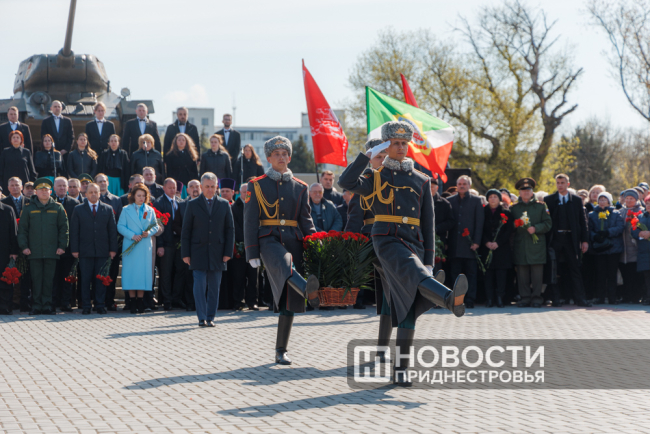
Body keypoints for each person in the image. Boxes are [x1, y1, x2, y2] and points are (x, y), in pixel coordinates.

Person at [339, 121, 467, 386]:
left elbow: (428, 224)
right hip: (386, 240)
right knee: (410, 270)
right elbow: (346, 181)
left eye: (403, 143)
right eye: (394, 143)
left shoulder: (421, 180)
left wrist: (429, 261)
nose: (399, 147)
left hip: (414, 242)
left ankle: (400, 371)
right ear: (386, 146)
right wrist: (368, 155)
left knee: (407, 305)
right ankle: (447, 298)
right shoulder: (376, 176)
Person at [244, 136, 321, 365]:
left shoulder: (301, 187)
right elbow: (250, 220)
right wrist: (252, 252)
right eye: (276, 154)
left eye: (284, 154)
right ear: (269, 158)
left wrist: (316, 244)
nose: (281, 157)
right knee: (285, 262)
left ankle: (281, 350)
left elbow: (306, 221)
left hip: (293, 240)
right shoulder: (257, 185)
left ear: (289, 157)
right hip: (268, 240)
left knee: (289, 299)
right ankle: (308, 290)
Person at [182, 172, 235, 326]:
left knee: (214, 287)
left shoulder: (224, 204)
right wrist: (185, 253)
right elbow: (186, 231)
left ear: (216, 187)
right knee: (199, 286)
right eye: (207, 186)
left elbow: (230, 230)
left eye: (213, 186)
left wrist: (228, 252)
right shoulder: (192, 204)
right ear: (201, 186)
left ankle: (210, 317)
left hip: (218, 252)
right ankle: (201, 317)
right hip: (197, 252)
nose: (210, 189)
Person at [345, 138, 387, 312]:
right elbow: (355, 215)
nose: (383, 161)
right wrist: (351, 239)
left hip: (392, 231)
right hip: (370, 232)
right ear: (370, 159)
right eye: (378, 157)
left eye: (385, 156)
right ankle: (358, 299)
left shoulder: (394, 180)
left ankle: (388, 301)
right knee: (361, 267)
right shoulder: (364, 183)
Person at [17, 178, 68, 315]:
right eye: (41, 190)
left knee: (49, 280)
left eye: (46, 190)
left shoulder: (57, 208)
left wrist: (62, 246)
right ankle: (36, 306)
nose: (44, 192)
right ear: (36, 192)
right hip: (34, 251)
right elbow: (22, 230)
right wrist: (24, 246)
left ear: (50, 192)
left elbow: (64, 229)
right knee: (36, 279)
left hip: (52, 251)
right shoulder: (28, 208)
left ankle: (47, 305)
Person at [69, 183, 117, 315]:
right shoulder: (78, 209)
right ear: (85, 194)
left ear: (99, 194)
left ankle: (99, 305)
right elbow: (74, 231)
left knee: (100, 279)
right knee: (85, 279)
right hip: (85, 251)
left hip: (102, 251)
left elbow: (112, 231)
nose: (93, 194)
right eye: (90, 192)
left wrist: (113, 249)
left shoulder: (107, 209)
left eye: (96, 192)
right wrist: (74, 249)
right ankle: (86, 305)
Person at [544, 174, 591, 307]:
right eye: (558, 183)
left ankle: (580, 299)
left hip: (571, 239)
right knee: (554, 269)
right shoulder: (549, 199)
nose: (560, 185)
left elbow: (582, 222)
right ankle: (555, 299)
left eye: (562, 183)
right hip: (555, 239)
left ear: (568, 184)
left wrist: (585, 240)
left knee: (575, 268)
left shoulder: (576, 200)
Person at [117, 183, 159, 314]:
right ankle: (132, 302)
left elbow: (155, 226)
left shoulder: (150, 210)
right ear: (133, 196)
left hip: (144, 245)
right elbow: (120, 226)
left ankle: (140, 301)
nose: (141, 198)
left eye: (143, 196)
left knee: (142, 273)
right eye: (139, 195)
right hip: (131, 244)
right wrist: (132, 235)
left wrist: (149, 232)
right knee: (131, 272)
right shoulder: (126, 209)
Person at [510, 178, 552, 307]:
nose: (526, 192)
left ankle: (536, 298)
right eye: (523, 190)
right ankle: (525, 298)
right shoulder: (514, 208)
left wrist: (536, 228)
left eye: (528, 190)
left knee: (537, 275)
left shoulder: (541, 206)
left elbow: (548, 223)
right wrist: (515, 225)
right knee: (522, 274)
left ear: (532, 191)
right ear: (519, 193)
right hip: (521, 245)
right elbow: (508, 226)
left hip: (536, 246)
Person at [447, 175, 484, 308]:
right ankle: (457, 300)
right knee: (455, 274)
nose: (462, 186)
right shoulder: (450, 201)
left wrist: (477, 242)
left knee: (471, 274)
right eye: (460, 184)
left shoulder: (476, 201)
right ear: (457, 185)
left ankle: (470, 300)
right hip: (455, 245)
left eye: (464, 184)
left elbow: (479, 223)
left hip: (470, 245)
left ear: (469, 186)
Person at [154, 178, 185, 310]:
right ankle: (166, 300)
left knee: (180, 270)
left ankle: (176, 298)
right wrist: (160, 245)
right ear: (164, 188)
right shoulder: (159, 202)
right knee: (165, 272)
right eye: (170, 188)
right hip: (166, 243)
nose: (173, 190)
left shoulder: (180, 202)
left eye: (174, 188)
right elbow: (158, 225)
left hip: (178, 242)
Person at [588, 191, 624, 305]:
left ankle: (612, 297)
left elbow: (620, 227)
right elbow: (589, 229)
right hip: (600, 248)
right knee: (600, 274)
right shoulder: (592, 214)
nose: (602, 202)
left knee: (612, 274)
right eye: (600, 199)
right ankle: (600, 297)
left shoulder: (616, 213)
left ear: (609, 201)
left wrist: (608, 232)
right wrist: (595, 236)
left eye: (604, 199)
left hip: (613, 247)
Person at [480, 189, 514, 307]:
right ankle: (489, 299)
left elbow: (508, 230)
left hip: (501, 248)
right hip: (487, 247)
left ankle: (500, 298)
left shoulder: (506, 212)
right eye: (490, 197)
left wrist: (498, 242)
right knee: (488, 275)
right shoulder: (482, 212)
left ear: (499, 199)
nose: (493, 199)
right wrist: (486, 242)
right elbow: (480, 229)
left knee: (501, 275)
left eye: (495, 196)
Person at [96, 173, 124, 310]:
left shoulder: (116, 200)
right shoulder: (92, 199)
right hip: (96, 243)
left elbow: (119, 221)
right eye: (99, 181)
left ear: (108, 183)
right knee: (98, 273)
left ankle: (109, 301)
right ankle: (98, 301)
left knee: (112, 273)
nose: (102, 183)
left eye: (104, 181)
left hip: (113, 242)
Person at [51, 177, 79, 312]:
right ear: (54, 188)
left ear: (67, 188)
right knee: (53, 277)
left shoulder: (75, 203)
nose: (62, 188)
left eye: (64, 186)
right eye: (59, 186)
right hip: (52, 247)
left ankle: (66, 302)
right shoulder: (49, 202)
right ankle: (53, 302)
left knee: (67, 277)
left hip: (69, 248)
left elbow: (76, 227)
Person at [230, 182, 259, 311]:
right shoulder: (234, 207)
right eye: (244, 192)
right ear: (239, 193)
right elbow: (234, 226)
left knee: (253, 276)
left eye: (249, 192)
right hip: (240, 246)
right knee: (239, 276)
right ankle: (238, 301)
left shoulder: (257, 205)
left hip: (254, 246)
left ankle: (252, 301)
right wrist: (244, 239)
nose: (246, 194)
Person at [618, 189, 644, 303]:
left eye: (631, 198)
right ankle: (626, 296)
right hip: (623, 248)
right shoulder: (620, 211)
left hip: (635, 247)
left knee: (635, 274)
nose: (628, 200)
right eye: (627, 198)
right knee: (625, 273)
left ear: (636, 199)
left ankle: (635, 296)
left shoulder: (641, 211)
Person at [164, 133, 199, 199]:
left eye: (183, 140)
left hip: (189, 182)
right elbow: (169, 171)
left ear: (186, 142)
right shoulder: (170, 155)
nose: (181, 142)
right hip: (177, 183)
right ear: (176, 142)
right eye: (179, 140)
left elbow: (194, 170)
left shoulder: (191, 154)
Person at [0, 200, 18, 314]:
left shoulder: (8, 210)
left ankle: (5, 306)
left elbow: (14, 232)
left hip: (4, 252)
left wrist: (14, 251)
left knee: (5, 279)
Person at [633, 195, 650, 305]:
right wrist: (639, 233)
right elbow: (633, 230)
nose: (648, 206)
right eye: (647, 204)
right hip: (644, 251)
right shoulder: (640, 216)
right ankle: (648, 297)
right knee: (647, 276)